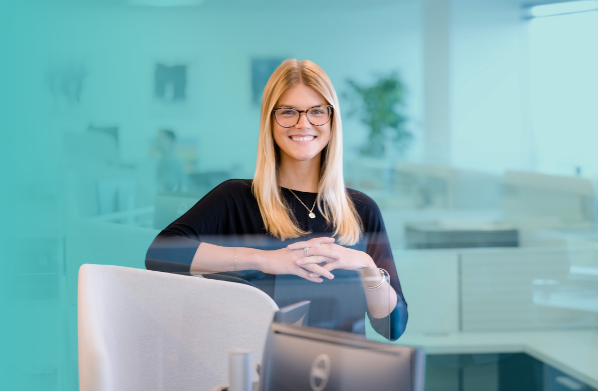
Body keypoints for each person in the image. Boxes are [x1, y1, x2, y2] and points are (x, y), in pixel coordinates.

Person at [145, 60, 407, 340]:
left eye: (317, 111)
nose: (303, 123)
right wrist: (264, 259)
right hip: (259, 373)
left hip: (341, 372)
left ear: (332, 120)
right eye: (288, 112)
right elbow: (161, 254)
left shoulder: (361, 208)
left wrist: (367, 265)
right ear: (270, 120)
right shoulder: (235, 198)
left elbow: (392, 326)